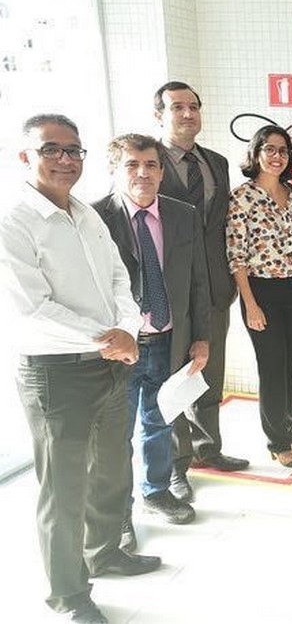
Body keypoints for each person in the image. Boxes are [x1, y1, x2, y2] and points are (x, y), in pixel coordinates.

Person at [0, 115, 160, 624]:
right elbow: (32, 307)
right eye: (52, 149)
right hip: (55, 374)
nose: (65, 159)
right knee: (64, 490)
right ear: (26, 156)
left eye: (73, 150)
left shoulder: (86, 214)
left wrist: (126, 330)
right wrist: (107, 338)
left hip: (109, 364)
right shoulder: (12, 221)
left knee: (111, 469)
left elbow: (118, 278)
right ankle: (69, 594)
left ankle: (104, 553)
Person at [94, 134, 211, 544]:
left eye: (151, 165)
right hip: (119, 348)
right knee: (116, 434)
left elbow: (198, 280)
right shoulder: (94, 218)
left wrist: (202, 337)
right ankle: (117, 514)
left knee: (160, 421)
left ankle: (156, 491)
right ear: (114, 170)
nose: (143, 173)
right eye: (132, 164)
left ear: (162, 172)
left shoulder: (183, 214)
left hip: (169, 340)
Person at [154, 81, 249, 504]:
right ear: (160, 115)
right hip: (170, 291)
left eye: (193, 106)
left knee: (210, 371)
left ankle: (209, 448)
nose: (188, 114)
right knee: (174, 377)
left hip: (213, 286)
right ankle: (177, 464)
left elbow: (220, 227)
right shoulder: (149, 163)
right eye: (177, 107)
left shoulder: (217, 162)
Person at [226, 125, 292, 468]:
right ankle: (276, 441)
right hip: (261, 291)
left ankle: (289, 431)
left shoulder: (291, 192)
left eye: (283, 150)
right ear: (256, 153)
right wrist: (250, 304)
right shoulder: (242, 197)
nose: (277, 156)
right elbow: (236, 255)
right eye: (270, 149)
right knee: (272, 368)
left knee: (290, 367)